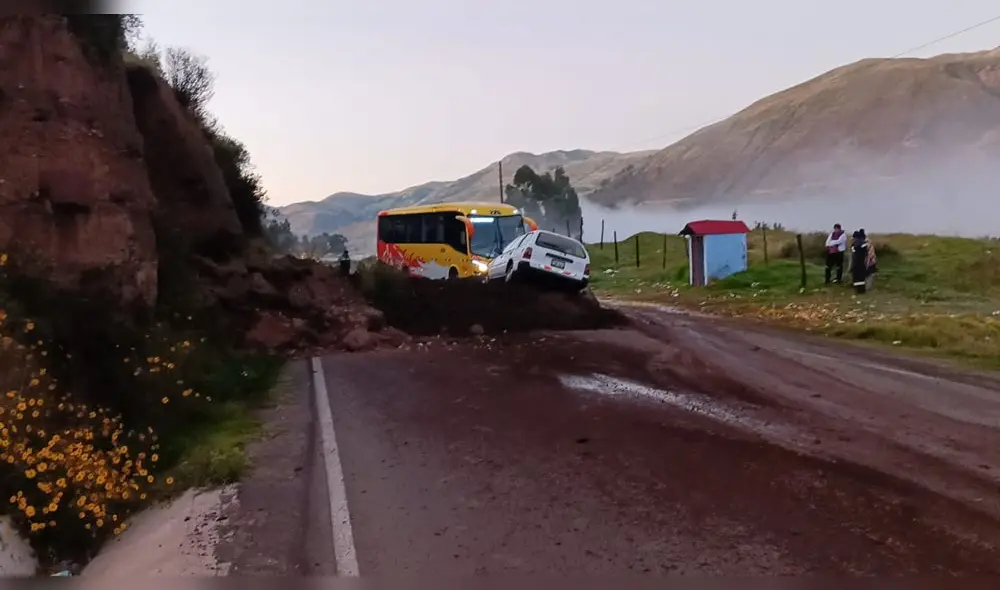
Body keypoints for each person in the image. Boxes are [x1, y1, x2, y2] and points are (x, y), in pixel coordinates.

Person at [850, 229, 876, 294]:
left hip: (858, 263)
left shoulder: (855, 244)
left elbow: (854, 254)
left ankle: (858, 290)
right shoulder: (865, 243)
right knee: (862, 277)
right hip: (863, 263)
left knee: (857, 277)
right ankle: (862, 290)